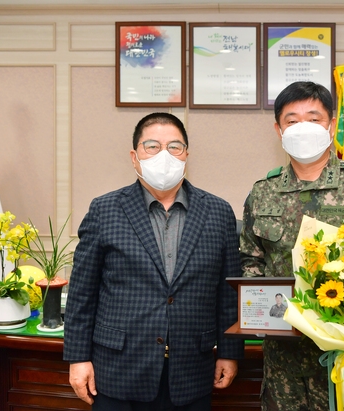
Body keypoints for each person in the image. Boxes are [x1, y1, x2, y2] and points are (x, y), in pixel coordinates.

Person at [239, 81, 344, 411]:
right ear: (278, 129)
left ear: (331, 125)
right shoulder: (263, 191)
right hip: (283, 357)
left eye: (313, 118)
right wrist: (258, 314)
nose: (302, 127)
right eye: (292, 120)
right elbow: (250, 260)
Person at [64, 112, 244, 411]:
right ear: (135, 157)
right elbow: (82, 293)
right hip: (118, 369)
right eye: (152, 146)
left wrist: (229, 353)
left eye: (175, 147)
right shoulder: (105, 210)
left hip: (191, 370)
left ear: (186, 155)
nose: (165, 155)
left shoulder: (218, 211)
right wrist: (78, 358)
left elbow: (227, 294)